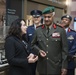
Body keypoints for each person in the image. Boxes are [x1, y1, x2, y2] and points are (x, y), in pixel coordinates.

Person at [31, 7, 68, 75]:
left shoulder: (60, 30)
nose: (46, 19)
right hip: (42, 67)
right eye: (45, 17)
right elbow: (32, 45)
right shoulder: (38, 30)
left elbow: (64, 50)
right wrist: (39, 51)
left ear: (53, 16)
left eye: (49, 17)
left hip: (56, 67)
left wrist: (64, 67)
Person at [26, 10, 42, 75]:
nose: (36, 18)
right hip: (31, 56)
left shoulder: (45, 28)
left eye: (37, 17)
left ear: (41, 17)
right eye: (34, 17)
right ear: (32, 18)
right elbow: (27, 42)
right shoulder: (28, 29)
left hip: (41, 56)